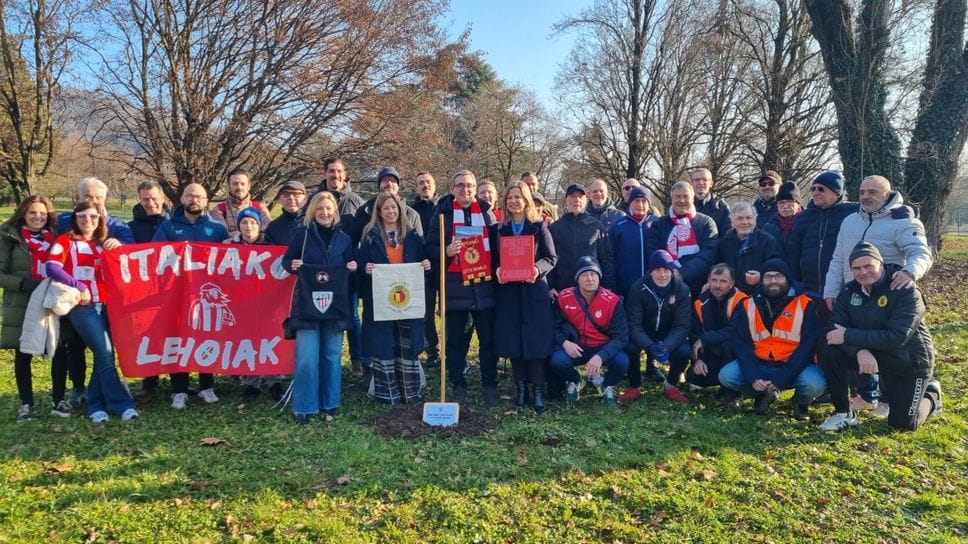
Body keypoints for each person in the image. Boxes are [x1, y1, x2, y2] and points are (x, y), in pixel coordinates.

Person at [822, 175, 933, 416]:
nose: (865, 197)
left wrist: (910, 272)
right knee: (853, 343)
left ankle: (890, 399)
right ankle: (865, 396)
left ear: (887, 193)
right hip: (856, 293)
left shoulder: (903, 220)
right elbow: (838, 258)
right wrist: (831, 290)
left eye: (872, 192)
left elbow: (920, 252)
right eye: (862, 192)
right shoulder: (850, 221)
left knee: (888, 344)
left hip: (892, 297)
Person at [818, 243, 941, 431]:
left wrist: (849, 335)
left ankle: (932, 394)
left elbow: (897, 337)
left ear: (881, 264)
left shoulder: (906, 290)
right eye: (856, 268)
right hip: (874, 354)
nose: (863, 272)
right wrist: (859, 350)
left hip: (908, 361)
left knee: (902, 425)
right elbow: (833, 330)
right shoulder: (849, 291)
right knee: (829, 350)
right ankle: (844, 413)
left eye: (868, 266)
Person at [47, 202, 138, 423]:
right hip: (83, 307)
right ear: (75, 218)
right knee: (105, 352)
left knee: (104, 355)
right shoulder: (66, 241)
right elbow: (52, 266)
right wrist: (79, 286)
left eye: (93, 216)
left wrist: (119, 246)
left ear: (100, 219)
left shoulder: (102, 244)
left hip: (108, 306)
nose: (88, 220)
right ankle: (122, 403)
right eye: (82, 216)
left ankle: (94, 403)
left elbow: (127, 265)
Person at [153, 184, 230, 409]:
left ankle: (207, 385)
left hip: (207, 294)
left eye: (199, 196)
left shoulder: (217, 229)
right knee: (179, 338)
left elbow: (229, 259)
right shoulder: (168, 227)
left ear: (206, 201)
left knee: (206, 335)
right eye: (189, 195)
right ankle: (179, 389)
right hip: (176, 295)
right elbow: (155, 256)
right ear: (182, 199)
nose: (194, 199)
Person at [718, 258, 826, 420]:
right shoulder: (748, 304)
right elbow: (742, 343)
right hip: (760, 363)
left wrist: (781, 379)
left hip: (795, 365)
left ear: (787, 279)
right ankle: (762, 394)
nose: (773, 281)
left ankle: (800, 401)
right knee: (726, 375)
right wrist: (753, 375)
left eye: (778, 276)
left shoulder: (805, 304)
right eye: (768, 276)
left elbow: (808, 347)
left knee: (814, 385)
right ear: (762, 280)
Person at [426, 169, 499, 405]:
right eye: (460, 186)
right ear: (452, 189)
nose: (465, 190)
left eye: (469, 185)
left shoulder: (488, 215)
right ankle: (458, 384)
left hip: (484, 287)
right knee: (456, 341)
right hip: (455, 288)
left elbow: (497, 250)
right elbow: (429, 248)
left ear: (476, 188)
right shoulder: (443, 215)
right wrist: (446, 252)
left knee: (488, 340)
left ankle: (490, 385)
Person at [283, 191, 357, 423]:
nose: (324, 213)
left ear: (335, 211)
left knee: (332, 355)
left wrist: (354, 266)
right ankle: (304, 405)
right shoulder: (301, 235)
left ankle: (330, 402)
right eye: (320, 208)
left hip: (335, 306)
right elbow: (286, 261)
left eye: (328, 208)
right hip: (307, 305)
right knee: (307, 355)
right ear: (313, 210)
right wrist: (292, 264)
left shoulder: (344, 239)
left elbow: (352, 267)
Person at [357, 192, 431, 404]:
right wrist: (365, 267)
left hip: (407, 299)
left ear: (400, 210)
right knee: (384, 342)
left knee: (406, 342)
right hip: (381, 299)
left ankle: (410, 391)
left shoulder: (412, 235)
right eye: (386, 208)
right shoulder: (370, 236)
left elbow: (424, 259)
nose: (391, 212)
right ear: (379, 212)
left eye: (394, 208)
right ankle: (387, 393)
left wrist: (426, 265)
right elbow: (360, 263)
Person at [491, 181, 558, 412]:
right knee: (514, 340)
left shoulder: (539, 227)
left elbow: (551, 258)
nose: (513, 201)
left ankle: (538, 390)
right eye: (510, 197)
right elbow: (492, 261)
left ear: (526, 200)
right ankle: (521, 389)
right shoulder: (498, 229)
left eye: (518, 197)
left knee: (534, 341)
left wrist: (537, 269)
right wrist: (497, 269)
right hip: (509, 294)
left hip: (534, 292)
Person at [0, 196, 56, 421]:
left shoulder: (55, 238)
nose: (37, 217)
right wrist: (22, 283)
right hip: (21, 302)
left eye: (42, 213)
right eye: (33, 212)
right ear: (23, 213)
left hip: (50, 301)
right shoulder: (10, 237)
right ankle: (26, 403)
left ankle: (59, 398)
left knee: (57, 349)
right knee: (23, 354)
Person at [550, 256, 629, 407]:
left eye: (593, 274)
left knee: (622, 362)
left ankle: (607, 385)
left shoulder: (612, 301)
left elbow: (621, 337)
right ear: (577, 279)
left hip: (602, 346)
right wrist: (564, 342)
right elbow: (553, 326)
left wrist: (601, 356)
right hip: (575, 346)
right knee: (557, 361)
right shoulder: (564, 297)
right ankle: (576, 380)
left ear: (599, 277)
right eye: (584, 275)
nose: (589, 279)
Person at [226, 207, 285, 401]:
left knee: (269, 338)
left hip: (268, 302)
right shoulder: (229, 247)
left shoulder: (271, 246)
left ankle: (275, 380)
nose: (248, 226)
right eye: (244, 222)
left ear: (259, 226)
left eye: (252, 222)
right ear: (239, 225)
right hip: (241, 302)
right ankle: (251, 383)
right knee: (246, 339)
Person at [608, 186, 664, 384]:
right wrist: (614, 286)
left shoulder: (657, 224)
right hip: (627, 287)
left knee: (652, 325)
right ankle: (631, 366)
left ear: (649, 204)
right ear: (629, 203)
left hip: (654, 285)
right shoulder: (618, 225)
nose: (640, 205)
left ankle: (652, 365)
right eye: (636, 201)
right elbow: (611, 258)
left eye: (643, 201)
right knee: (631, 326)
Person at [622, 250, 693, 404]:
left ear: (672, 271)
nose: (662, 275)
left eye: (667, 270)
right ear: (650, 271)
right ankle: (634, 385)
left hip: (669, 333)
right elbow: (633, 324)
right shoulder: (638, 288)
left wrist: (667, 345)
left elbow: (682, 325)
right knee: (630, 347)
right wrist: (648, 345)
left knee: (684, 350)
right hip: (644, 332)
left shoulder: (682, 290)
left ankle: (671, 385)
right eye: (658, 270)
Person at [317, 158, 366, 375]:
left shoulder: (356, 202)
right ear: (324, 174)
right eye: (331, 171)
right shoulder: (314, 200)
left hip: (348, 270)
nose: (335, 175)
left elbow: (365, 233)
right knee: (323, 313)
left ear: (345, 175)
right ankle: (326, 361)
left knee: (353, 316)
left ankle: (357, 358)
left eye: (338, 171)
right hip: (319, 272)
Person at [786, 170, 859, 301]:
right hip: (807, 290)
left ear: (836, 193)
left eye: (821, 189)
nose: (815, 192)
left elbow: (881, 207)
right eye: (813, 189)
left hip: (841, 290)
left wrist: (902, 211)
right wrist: (795, 283)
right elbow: (793, 253)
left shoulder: (853, 213)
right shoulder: (804, 217)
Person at [128, 180, 172, 397]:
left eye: (154, 198)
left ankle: (177, 378)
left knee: (174, 332)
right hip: (145, 290)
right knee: (148, 333)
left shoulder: (174, 222)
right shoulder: (132, 227)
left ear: (163, 198)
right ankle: (150, 379)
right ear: (139, 199)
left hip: (172, 287)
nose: (150, 203)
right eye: (145, 199)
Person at [646, 181, 719, 296]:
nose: (682, 200)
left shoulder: (706, 223)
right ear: (671, 198)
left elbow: (708, 255)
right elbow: (652, 251)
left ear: (693, 198)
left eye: (686, 196)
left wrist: (682, 273)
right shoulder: (659, 224)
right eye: (678, 197)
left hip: (699, 288)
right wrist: (669, 272)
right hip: (666, 285)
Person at [691, 264, 749, 402]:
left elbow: (735, 331)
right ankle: (722, 384)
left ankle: (733, 394)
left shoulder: (743, 300)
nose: (717, 285)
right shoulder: (700, 301)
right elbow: (694, 333)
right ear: (708, 281)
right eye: (714, 280)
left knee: (728, 345)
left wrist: (705, 339)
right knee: (693, 376)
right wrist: (697, 359)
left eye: (723, 281)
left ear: (731, 283)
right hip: (712, 351)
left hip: (737, 354)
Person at [548, 183, 614, 294]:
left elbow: (606, 258)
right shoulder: (555, 228)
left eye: (580, 197)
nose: (577, 200)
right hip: (562, 289)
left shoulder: (596, 226)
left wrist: (607, 287)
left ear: (586, 199)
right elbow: (550, 259)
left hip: (592, 290)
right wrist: (550, 286)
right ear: (566, 199)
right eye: (573, 196)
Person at [714, 202, 783, 294]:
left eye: (748, 218)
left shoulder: (768, 241)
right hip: (730, 295)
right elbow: (717, 267)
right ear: (732, 221)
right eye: (739, 218)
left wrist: (761, 276)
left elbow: (778, 268)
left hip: (759, 295)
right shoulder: (724, 243)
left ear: (755, 219)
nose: (744, 222)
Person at [410, 171, 441, 367]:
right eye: (421, 183)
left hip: (445, 267)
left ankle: (455, 352)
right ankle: (432, 351)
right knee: (426, 313)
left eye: (428, 182)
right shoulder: (411, 211)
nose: (425, 185)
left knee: (449, 312)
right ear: (416, 188)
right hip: (422, 269)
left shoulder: (445, 207)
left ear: (435, 185)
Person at [350, 165, 422, 244]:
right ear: (379, 184)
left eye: (393, 180)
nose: (389, 184)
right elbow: (354, 241)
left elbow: (419, 246)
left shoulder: (412, 215)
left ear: (398, 186)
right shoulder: (365, 211)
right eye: (385, 180)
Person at [209, 167, 272, 235]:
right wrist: (252, 234)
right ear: (229, 186)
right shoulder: (218, 210)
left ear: (249, 186)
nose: (239, 187)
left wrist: (234, 234)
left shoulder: (260, 208)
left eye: (242, 184)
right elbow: (222, 235)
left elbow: (268, 232)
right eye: (235, 184)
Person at [761, 181, 802, 253]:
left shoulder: (809, 224)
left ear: (798, 204)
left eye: (789, 201)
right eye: (781, 202)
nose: (785, 206)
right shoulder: (768, 228)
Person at [264, 181, 307, 245]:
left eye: (296, 194)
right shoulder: (273, 227)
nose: (291, 198)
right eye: (286, 194)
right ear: (279, 198)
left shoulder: (315, 222)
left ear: (305, 198)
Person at [691, 168, 730, 236]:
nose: (700, 183)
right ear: (692, 183)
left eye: (705, 179)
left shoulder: (721, 207)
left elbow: (727, 235)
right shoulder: (684, 205)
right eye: (697, 180)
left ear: (711, 183)